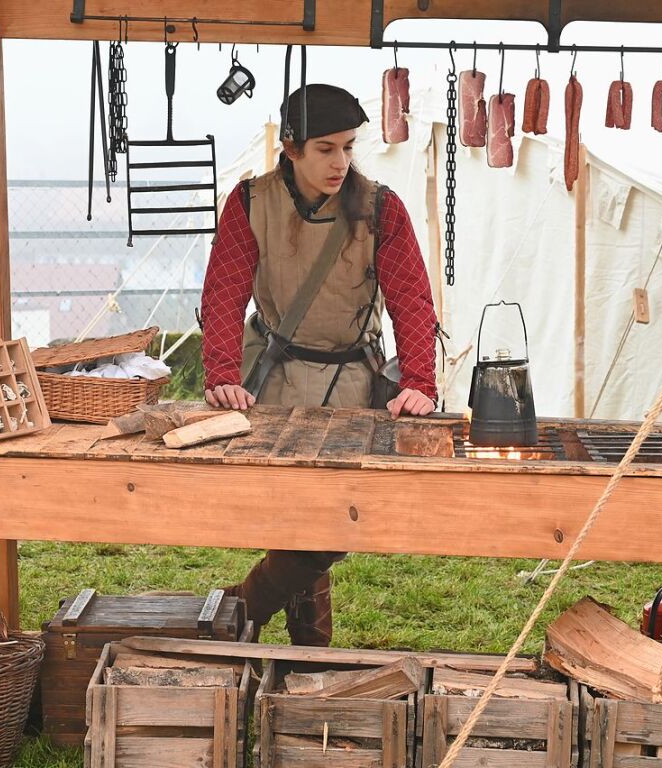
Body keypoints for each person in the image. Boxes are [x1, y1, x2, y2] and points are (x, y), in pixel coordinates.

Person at [199, 83, 438, 646]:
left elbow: (412, 298)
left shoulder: (381, 207)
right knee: (294, 515)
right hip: (277, 380)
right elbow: (224, 294)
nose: (341, 162)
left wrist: (421, 381)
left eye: (349, 147)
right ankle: (311, 650)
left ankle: (244, 607)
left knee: (336, 517)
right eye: (325, 148)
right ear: (291, 146)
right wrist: (222, 375)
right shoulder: (249, 203)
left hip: (352, 382)